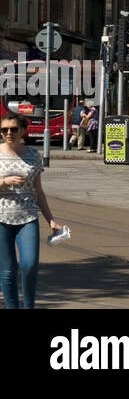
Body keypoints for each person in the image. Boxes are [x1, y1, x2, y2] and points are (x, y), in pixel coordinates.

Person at [0, 115, 61, 309]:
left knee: (29, 265)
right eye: (4, 130)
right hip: (1, 218)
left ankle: (28, 306)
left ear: (22, 131)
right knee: (8, 271)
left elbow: (39, 191)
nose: (8, 133)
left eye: (13, 129)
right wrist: (3, 182)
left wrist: (51, 220)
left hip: (27, 217)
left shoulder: (33, 155)